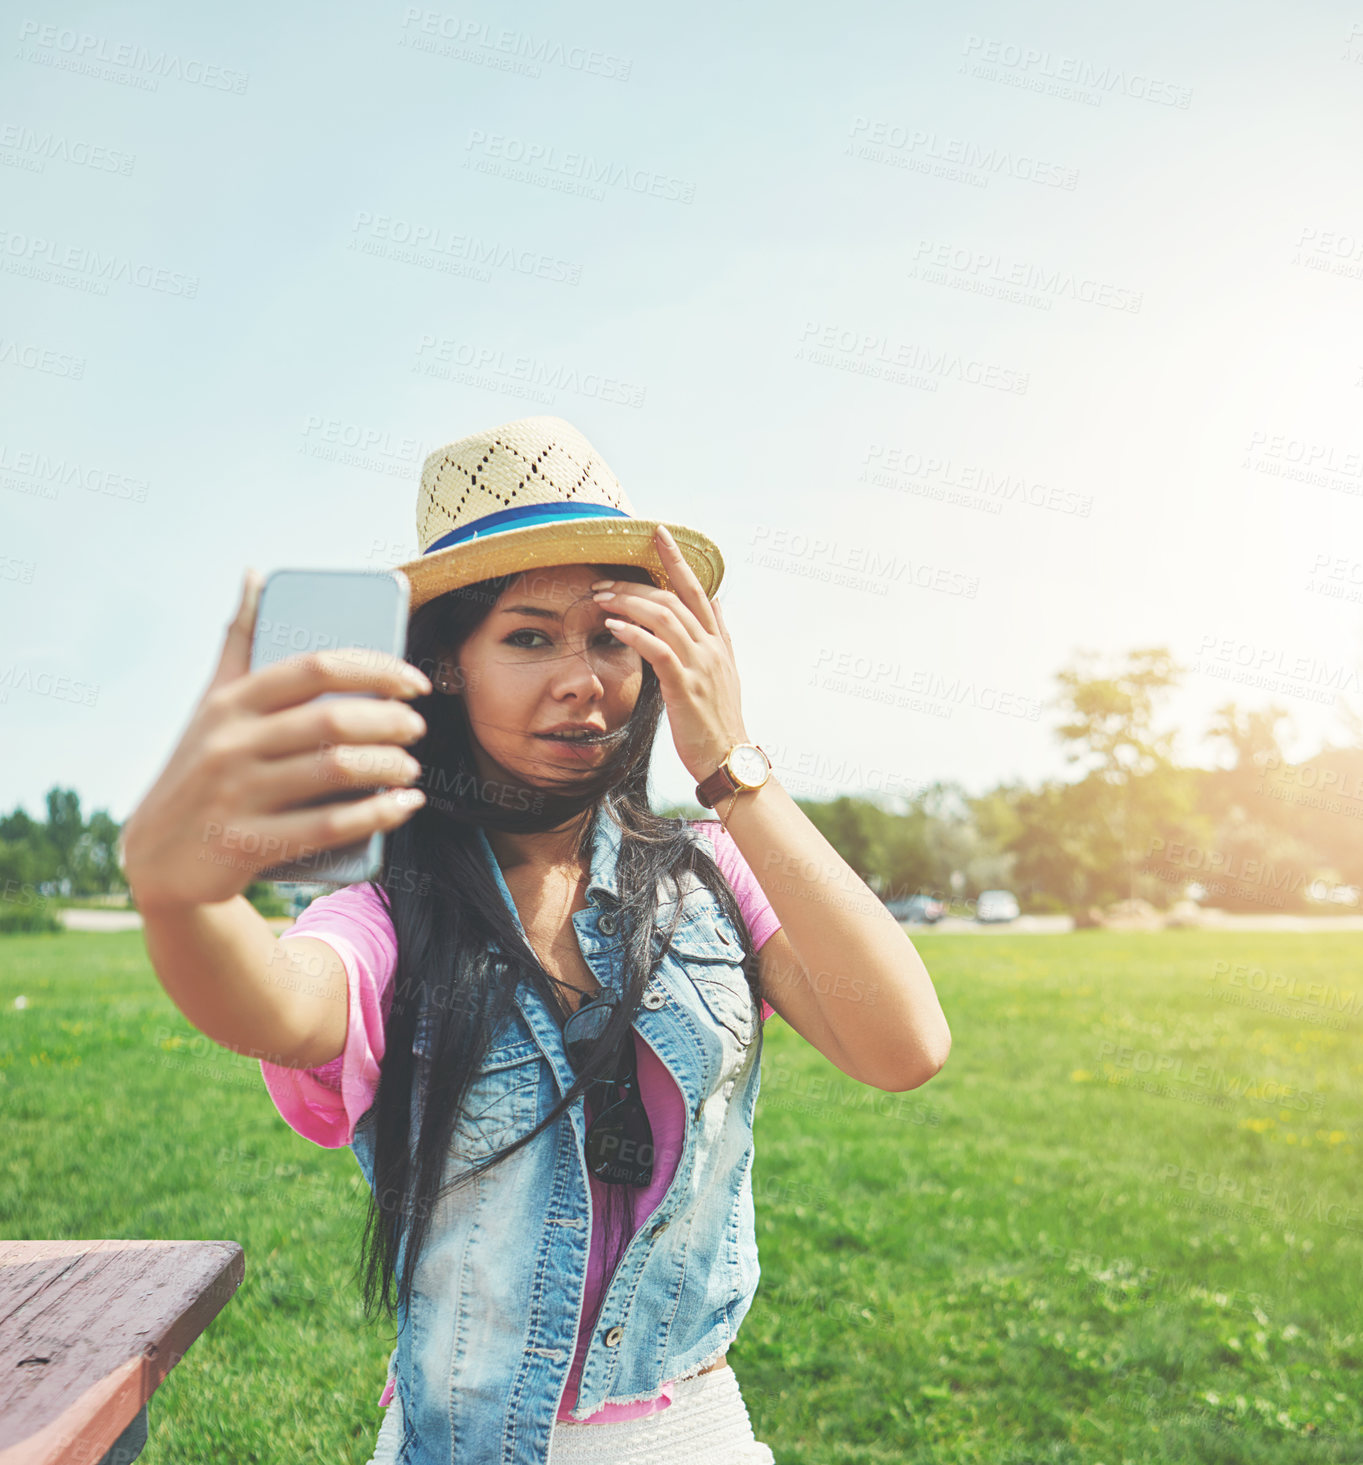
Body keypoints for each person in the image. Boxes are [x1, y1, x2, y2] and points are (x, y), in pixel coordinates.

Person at [119, 415, 953, 1465]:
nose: (582, 677)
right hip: (464, 1440)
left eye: (611, 634)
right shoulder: (388, 906)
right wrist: (182, 900)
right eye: (529, 635)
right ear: (452, 664)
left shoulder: (711, 870)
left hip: (692, 1426)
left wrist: (733, 767)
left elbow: (905, 1046)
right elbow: (282, 1001)